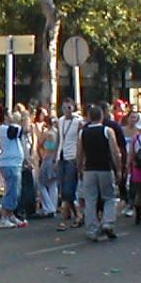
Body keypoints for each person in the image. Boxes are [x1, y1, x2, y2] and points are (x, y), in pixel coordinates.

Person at [76, 104, 122, 241]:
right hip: (105, 168)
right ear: (102, 116)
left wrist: (79, 168)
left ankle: (92, 228)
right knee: (109, 197)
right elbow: (115, 152)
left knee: (90, 199)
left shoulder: (82, 132)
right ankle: (108, 222)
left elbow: (79, 153)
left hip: (89, 169)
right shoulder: (107, 131)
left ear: (89, 117)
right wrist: (118, 169)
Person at [0, 109, 28, 228]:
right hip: (9, 164)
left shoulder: (10, 128)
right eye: (10, 114)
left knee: (15, 191)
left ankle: (10, 214)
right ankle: (4, 217)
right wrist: (23, 118)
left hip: (15, 163)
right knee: (11, 190)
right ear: (5, 116)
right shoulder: (4, 129)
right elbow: (23, 130)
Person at [55, 99, 83, 230]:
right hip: (61, 156)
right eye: (64, 108)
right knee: (63, 189)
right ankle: (77, 214)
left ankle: (65, 219)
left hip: (72, 156)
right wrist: (55, 157)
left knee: (68, 188)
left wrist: (79, 158)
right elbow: (59, 139)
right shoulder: (60, 121)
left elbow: (80, 139)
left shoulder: (78, 122)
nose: (66, 110)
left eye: (69, 108)